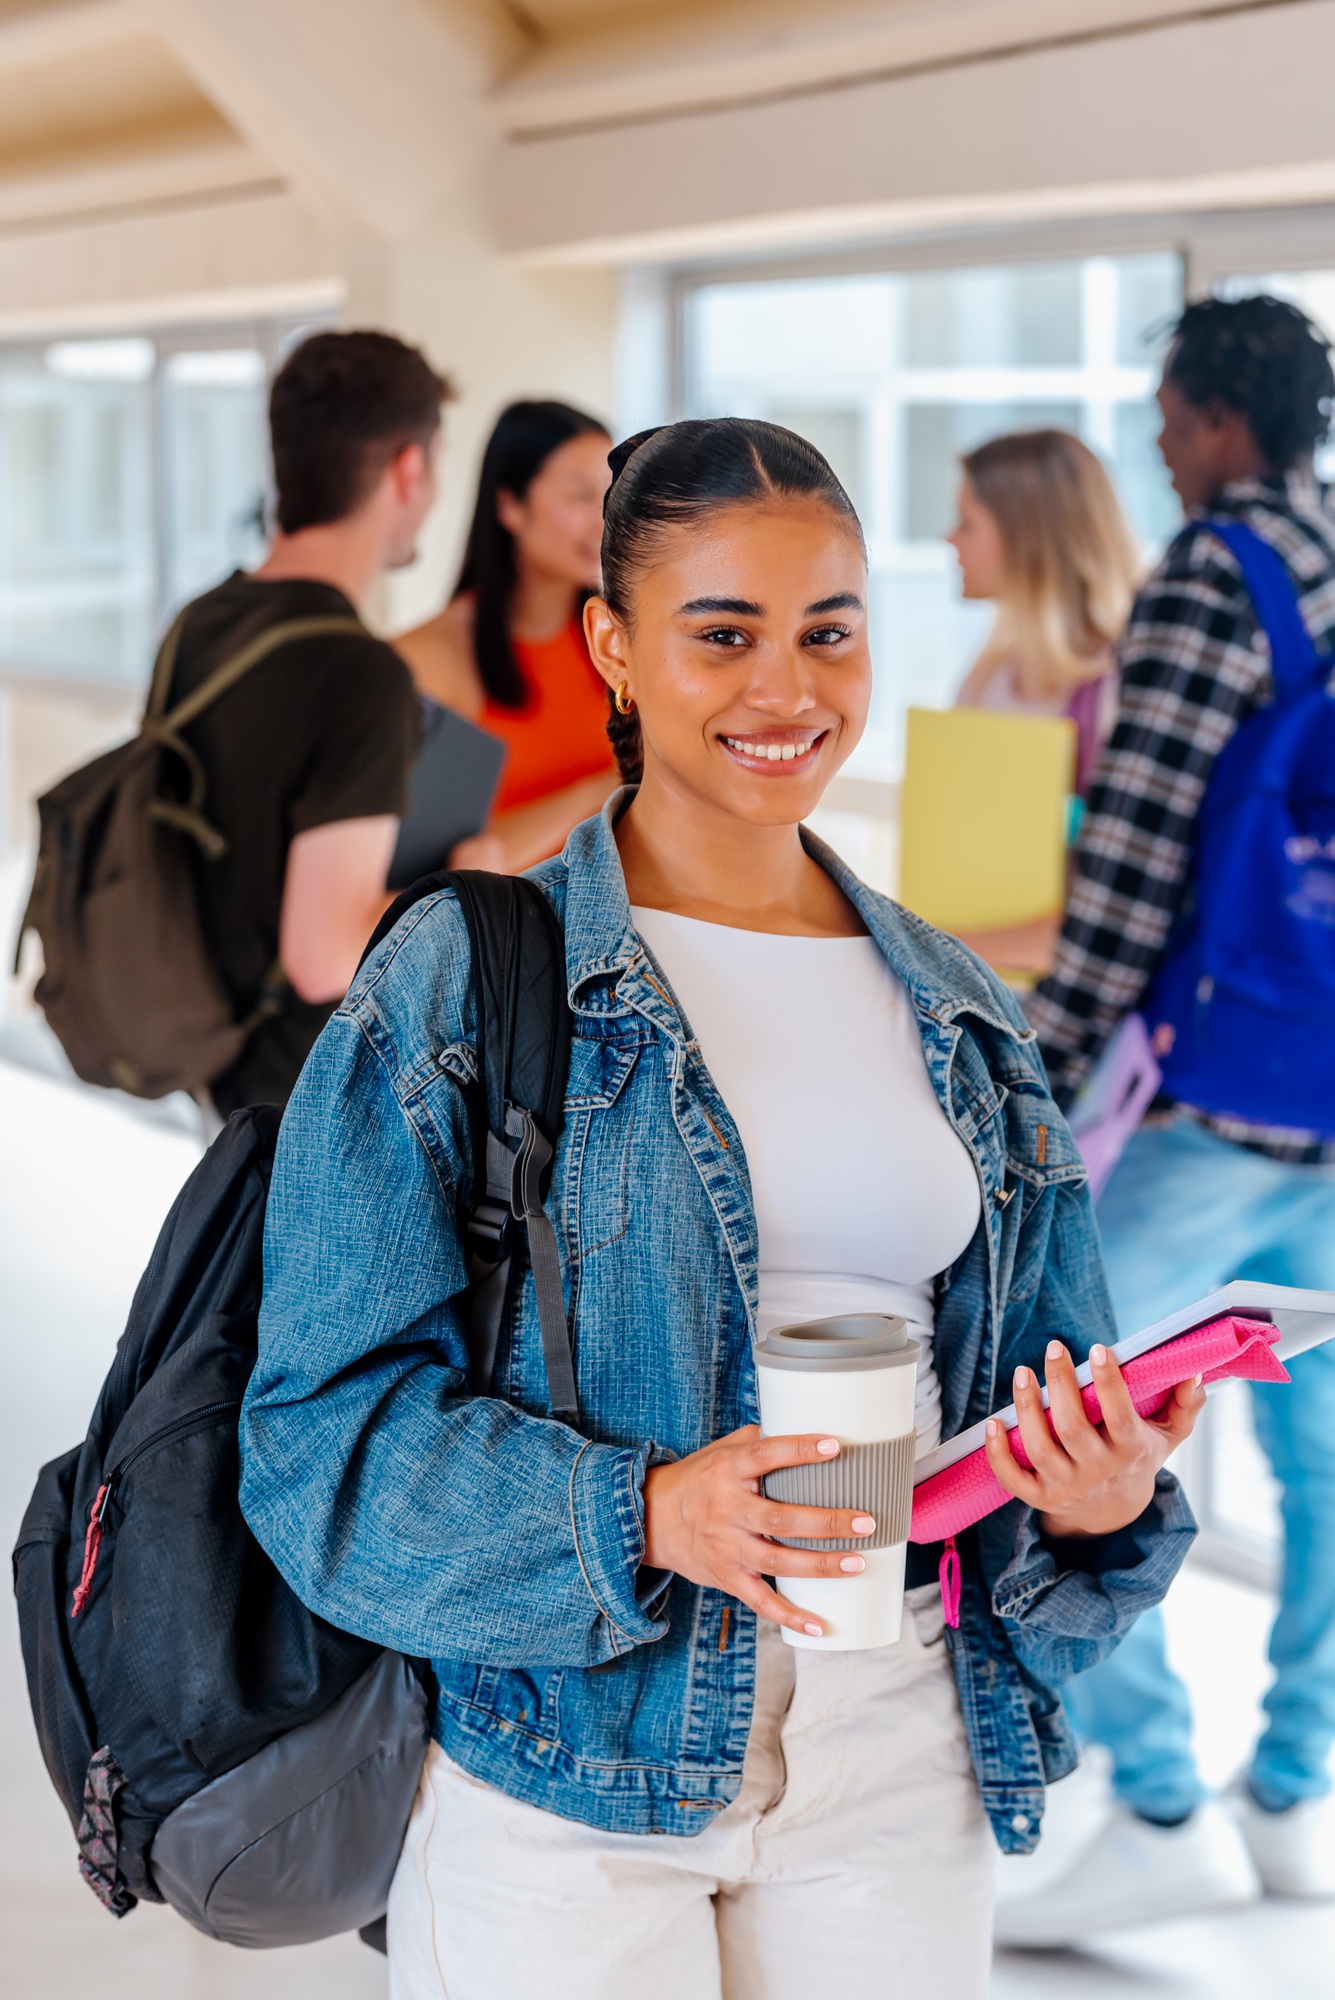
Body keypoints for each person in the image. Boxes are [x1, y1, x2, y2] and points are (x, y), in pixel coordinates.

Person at [241, 417, 1201, 2000]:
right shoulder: (469, 976)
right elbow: (315, 1438)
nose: (787, 689)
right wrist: (648, 1512)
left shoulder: (959, 1009)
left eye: (827, 632)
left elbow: (1046, 1392)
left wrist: (1094, 1500)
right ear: (612, 647)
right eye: (723, 634)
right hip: (561, 1754)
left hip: (892, 1738)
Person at [1004, 295, 1335, 1944]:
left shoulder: (1221, 572)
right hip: (1332, 1109)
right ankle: (1297, 1796)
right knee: (1326, 1454)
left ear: (1216, 419)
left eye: (1165, 415)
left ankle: (1150, 1801)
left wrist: (1048, 1077)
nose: (1155, 442)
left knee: (1075, 1415)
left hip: (1212, 1104)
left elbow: (1133, 853)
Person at [163, 328, 449, 1116]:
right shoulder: (359, 673)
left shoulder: (202, 620)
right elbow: (324, 956)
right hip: (309, 1101)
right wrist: (466, 880)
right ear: (407, 468)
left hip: (216, 1067)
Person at [946, 428, 1141, 976]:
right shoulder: (986, 679)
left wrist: (938, 950)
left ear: (1025, 537)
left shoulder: (1120, 692)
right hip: (987, 984)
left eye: (966, 524)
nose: (948, 540)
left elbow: (1117, 916)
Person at [395, 399, 619, 871]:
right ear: (509, 505)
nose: (604, 520)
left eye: (611, 497)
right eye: (581, 496)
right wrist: (600, 791)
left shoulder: (618, 642)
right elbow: (436, 867)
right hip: (502, 933)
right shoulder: (430, 660)